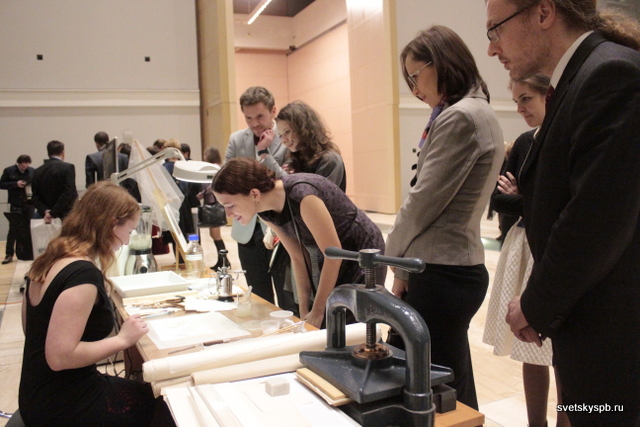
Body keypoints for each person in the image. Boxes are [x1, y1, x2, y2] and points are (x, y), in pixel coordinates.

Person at [485, 0, 640, 424]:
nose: (492, 48)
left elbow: (596, 220)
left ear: (543, 13)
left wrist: (534, 304)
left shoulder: (610, 73)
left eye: (496, 29)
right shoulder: (581, 77)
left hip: (613, 341)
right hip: (589, 329)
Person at [384, 25, 504, 410]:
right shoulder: (470, 111)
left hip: (443, 271)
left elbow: (423, 202)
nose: (414, 89)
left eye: (416, 76)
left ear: (442, 62)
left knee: (436, 389)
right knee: (451, 382)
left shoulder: (461, 117)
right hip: (447, 268)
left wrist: (391, 258)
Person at [19, 181, 174, 426]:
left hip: (37, 394)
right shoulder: (82, 274)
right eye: (129, 231)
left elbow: (32, 330)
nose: (127, 241)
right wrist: (123, 339)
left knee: (146, 391)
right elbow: (59, 357)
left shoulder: (48, 260)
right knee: (167, 405)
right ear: (111, 224)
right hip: (62, 405)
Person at [483, 74, 570, 427]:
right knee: (529, 346)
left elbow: (566, 203)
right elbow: (498, 199)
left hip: (552, 248)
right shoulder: (522, 143)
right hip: (523, 245)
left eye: (526, 99)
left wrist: (525, 197)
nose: (519, 108)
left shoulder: (566, 137)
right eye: (516, 101)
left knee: (563, 353)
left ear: (549, 96)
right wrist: (528, 200)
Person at [213, 158, 386, 329]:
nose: (227, 214)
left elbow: (334, 255)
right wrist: (304, 311)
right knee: (329, 321)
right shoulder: (264, 209)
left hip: (360, 250)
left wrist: (317, 311)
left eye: (230, 205)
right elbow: (297, 257)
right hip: (333, 253)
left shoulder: (303, 196)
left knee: (353, 322)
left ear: (254, 194)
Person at [225, 86, 288, 304]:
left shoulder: (286, 139)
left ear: (273, 111)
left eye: (260, 116)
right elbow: (227, 181)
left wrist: (264, 153)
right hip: (247, 228)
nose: (254, 124)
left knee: (286, 295)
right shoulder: (236, 140)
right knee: (258, 296)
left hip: (280, 228)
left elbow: (284, 182)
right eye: (248, 118)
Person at [275, 100, 346, 191]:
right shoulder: (293, 160)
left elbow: (318, 197)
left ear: (303, 128)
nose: (283, 140)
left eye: (287, 132)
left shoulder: (329, 160)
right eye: (280, 135)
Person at [32, 140, 78, 223]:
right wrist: (53, 212)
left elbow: (35, 196)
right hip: (65, 215)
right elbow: (68, 192)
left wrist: (45, 211)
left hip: (45, 216)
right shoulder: (68, 167)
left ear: (48, 153)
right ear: (63, 153)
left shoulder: (37, 171)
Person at [199, 146, 229, 271]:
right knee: (214, 234)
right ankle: (223, 260)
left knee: (215, 235)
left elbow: (212, 185)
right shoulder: (216, 167)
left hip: (213, 203)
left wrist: (202, 193)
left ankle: (224, 261)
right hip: (213, 202)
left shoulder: (213, 168)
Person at [1, 155, 35, 264]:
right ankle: (9, 254)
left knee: (30, 228)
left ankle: (29, 252)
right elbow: (1, 184)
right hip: (16, 203)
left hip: (29, 203)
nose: (26, 166)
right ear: (19, 163)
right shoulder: (9, 171)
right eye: (24, 164)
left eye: (27, 164)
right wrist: (15, 184)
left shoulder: (32, 171)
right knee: (13, 228)